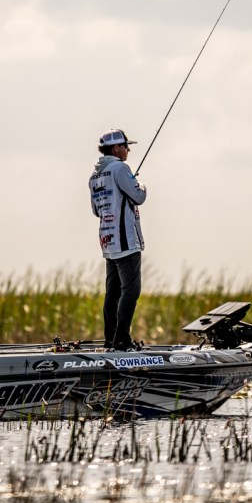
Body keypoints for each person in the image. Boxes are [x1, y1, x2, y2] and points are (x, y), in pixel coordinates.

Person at [89, 128, 147, 350]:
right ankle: (122, 339)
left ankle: (110, 339)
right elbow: (138, 196)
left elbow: (96, 210)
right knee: (131, 290)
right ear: (116, 148)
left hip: (108, 241)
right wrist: (141, 185)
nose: (128, 150)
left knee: (112, 292)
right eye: (125, 146)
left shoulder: (94, 176)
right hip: (126, 241)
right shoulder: (120, 168)